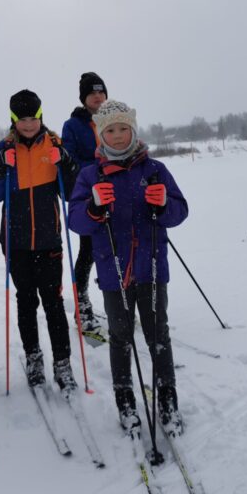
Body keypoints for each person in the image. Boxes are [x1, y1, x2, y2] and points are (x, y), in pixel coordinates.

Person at [69, 100, 189, 436]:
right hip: (114, 272)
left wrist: (163, 204)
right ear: (101, 134)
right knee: (120, 337)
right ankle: (125, 400)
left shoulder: (154, 170)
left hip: (152, 269)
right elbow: (76, 220)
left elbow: (180, 211)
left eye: (124, 128)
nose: (119, 135)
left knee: (158, 335)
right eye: (111, 130)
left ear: (133, 131)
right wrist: (94, 207)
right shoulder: (91, 175)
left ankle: (168, 399)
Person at [0, 90, 81, 393]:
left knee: (53, 303)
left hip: (49, 240)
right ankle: (34, 357)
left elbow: (71, 193)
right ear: (13, 120)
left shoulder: (55, 145)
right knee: (25, 301)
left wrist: (67, 164)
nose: (28, 124)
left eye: (33, 118)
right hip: (16, 243)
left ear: (40, 116)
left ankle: (62, 363)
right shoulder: (2, 149)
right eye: (22, 119)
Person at [61, 72, 108, 337]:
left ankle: (118, 302)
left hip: (117, 195)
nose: (98, 97)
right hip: (89, 197)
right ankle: (82, 307)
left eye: (101, 92)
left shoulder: (114, 118)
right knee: (88, 252)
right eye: (92, 93)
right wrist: (100, 167)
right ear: (84, 98)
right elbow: (70, 161)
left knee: (116, 249)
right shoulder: (73, 125)